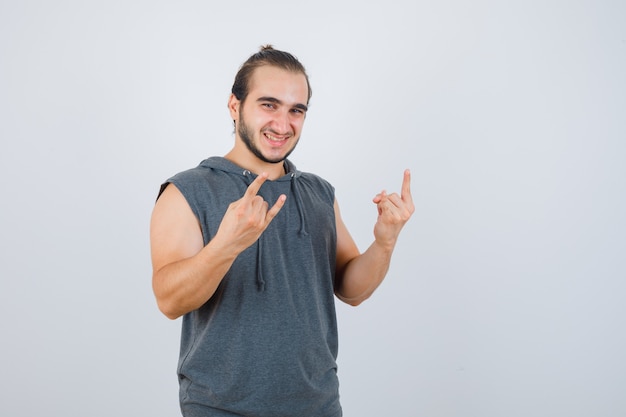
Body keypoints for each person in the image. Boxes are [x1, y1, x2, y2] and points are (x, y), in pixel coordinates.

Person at [150, 45, 414, 417]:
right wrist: (227, 245)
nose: (283, 123)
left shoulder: (318, 192)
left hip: (318, 406)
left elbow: (351, 290)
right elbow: (169, 300)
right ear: (234, 106)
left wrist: (385, 242)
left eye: (296, 110)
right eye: (268, 105)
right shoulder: (187, 191)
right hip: (220, 409)